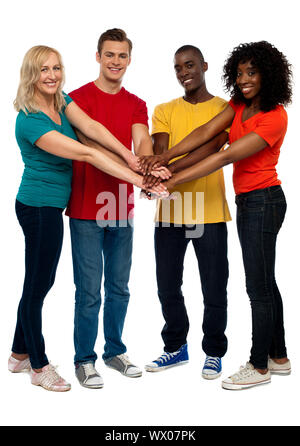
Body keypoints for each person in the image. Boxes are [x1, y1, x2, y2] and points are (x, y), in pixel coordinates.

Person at [8, 45, 165, 392]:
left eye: (56, 68)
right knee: (37, 288)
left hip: (52, 208)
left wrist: (130, 156)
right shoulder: (30, 119)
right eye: (43, 70)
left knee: (40, 283)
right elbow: (86, 151)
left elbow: (92, 128)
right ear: (30, 75)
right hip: (38, 207)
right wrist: (141, 180)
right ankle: (38, 365)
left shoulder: (61, 101)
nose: (51, 75)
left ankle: (19, 353)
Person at [140, 41, 292, 390]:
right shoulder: (239, 105)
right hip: (247, 202)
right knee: (265, 283)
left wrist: (172, 177)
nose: (244, 79)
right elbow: (205, 132)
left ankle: (258, 365)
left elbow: (222, 155)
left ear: (269, 73)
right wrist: (163, 161)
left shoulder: (274, 116)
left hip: (263, 201)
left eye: (251, 72)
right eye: (239, 73)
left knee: (256, 287)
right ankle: (278, 356)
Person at [65, 28, 159, 389]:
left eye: (122, 56)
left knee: (119, 287)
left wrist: (149, 168)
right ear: (98, 56)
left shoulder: (136, 103)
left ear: (129, 60)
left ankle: (115, 351)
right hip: (87, 206)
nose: (115, 61)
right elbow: (88, 140)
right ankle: (84, 360)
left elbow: (142, 140)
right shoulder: (76, 99)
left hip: (121, 203)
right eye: (109, 55)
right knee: (89, 290)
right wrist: (135, 165)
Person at [143, 45, 231, 379]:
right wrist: (157, 170)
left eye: (190, 65)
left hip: (209, 211)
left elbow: (211, 147)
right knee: (167, 284)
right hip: (170, 210)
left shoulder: (225, 108)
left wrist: (165, 171)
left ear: (204, 66)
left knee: (214, 286)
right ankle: (176, 348)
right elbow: (160, 150)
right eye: (178, 67)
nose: (184, 72)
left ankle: (214, 352)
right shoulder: (164, 109)